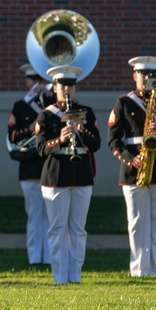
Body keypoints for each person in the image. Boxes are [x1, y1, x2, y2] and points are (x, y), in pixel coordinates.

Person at [107, 56, 156, 277]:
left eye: (150, 74)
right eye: (142, 74)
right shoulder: (123, 102)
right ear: (135, 76)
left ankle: (155, 269)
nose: (146, 78)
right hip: (134, 167)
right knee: (136, 222)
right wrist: (129, 159)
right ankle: (139, 270)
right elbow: (113, 140)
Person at [35, 65, 101, 284]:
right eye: (63, 85)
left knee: (78, 229)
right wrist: (61, 139)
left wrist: (81, 130)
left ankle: (75, 274)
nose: (67, 90)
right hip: (55, 177)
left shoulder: (86, 112)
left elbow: (97, 144)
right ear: (55, 87)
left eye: (71, 86)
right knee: (57, 228)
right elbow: (41, 148)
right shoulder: (46, 115)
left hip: (82, 175)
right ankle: (59, 276)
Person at [8, 63, 56, 266]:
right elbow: (12, 136)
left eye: (40, 81)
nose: (35, 85)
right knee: (35, 216)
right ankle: (36, 258)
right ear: (27, 81)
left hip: (51, 166)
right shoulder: (20, 106)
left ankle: (51, 257)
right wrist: (30, 127)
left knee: (52, 216)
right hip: (29, 167)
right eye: (32, 81)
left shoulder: (54, 105)